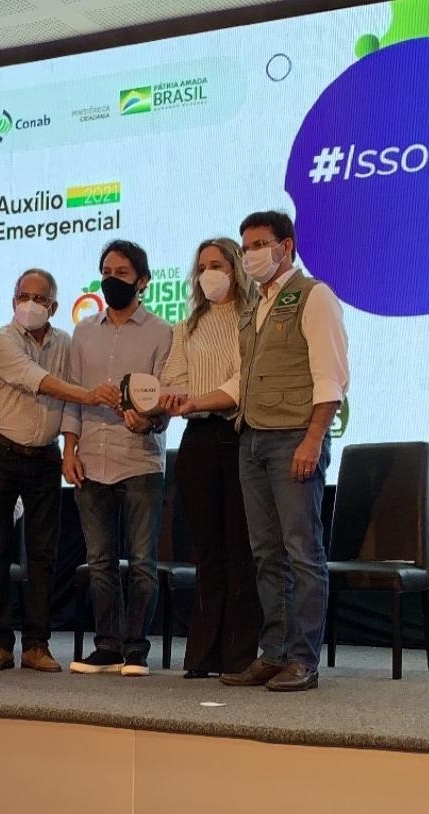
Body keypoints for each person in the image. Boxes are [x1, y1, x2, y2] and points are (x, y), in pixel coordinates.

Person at [176, 211, 349, 691]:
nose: (250, 254)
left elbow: (331, 376)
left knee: (302, 551)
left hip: (293, 437)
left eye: (259, 245)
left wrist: (314, 438)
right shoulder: (256, 308)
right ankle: (274, 652)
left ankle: (303, 659)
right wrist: (194, 402)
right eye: (246, 245)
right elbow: (242, 381)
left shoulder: (313, 296)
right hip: (250, 439)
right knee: (266, 554)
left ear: (285, 247)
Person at [0, 268, 119, 672]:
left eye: (40, 299)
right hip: (1, 452)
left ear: (54, 307)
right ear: (13, 301)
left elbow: (69, 395)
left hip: (45, 456)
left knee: (43, 554)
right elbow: (37, 380)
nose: (31, 304)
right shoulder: (3, 340)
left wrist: (73, 439)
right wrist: (90, 395)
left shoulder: (65, 343)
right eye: (24, 296)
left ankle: (36, 645)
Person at [63, 240, 173, 677]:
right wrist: (68, 450)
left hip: (140, 459)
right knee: (101, 562)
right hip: (91, 458)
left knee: (142, 561)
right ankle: (107, 645)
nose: (112, 279)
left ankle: (136, 650)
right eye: (106, 272)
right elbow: (73, 395)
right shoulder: (83, 332)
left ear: (142, 281)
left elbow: (166, 397)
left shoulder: (162, 332)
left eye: (122, 273)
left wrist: (149, 421)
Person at [160, 238, 261, 679]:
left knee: (241, 549)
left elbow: (244, 380)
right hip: (197, 441)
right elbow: (173, 378)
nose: (208, 274)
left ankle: (239, 656)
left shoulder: (255, 318)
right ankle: (202, 655)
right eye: (201, 267)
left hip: (240, 437)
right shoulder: (186, 327)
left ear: (236, 268)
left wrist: (199, 398)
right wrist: (179, 398)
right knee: (206, 552)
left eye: (216, 265)